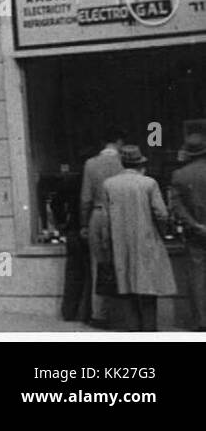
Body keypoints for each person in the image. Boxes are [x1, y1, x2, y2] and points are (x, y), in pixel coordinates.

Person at [94, 144, 177, 331]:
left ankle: (133, 330)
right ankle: (149, 330)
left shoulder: (109, 185)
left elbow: (104, 219)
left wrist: (107, 243)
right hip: (147, 241)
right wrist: (162, 233)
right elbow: (162, 214)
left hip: (120, 244)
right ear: (140, 163)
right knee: (148, 290)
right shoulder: (149, 183)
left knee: (127, 290)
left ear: (122, 163)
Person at [80, 128, 126, 327]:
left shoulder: (90, 164)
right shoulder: (125, 162)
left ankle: (100, 314)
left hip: (98, 214)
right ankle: (124, 313)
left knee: (98, 265)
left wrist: (83, 223)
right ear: (119, 141)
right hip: (121, 215)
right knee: (123, 263)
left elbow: (85, 198)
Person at [169, 132, 206, 331]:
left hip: (195, 234)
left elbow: (178, 207)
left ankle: (201, 321)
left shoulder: (180, 175)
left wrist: (196, 226)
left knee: (197, 278)